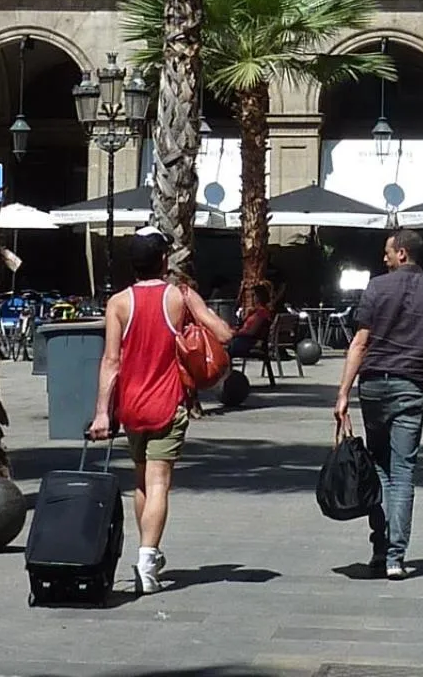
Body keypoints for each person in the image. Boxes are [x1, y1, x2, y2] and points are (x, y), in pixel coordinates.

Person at [89, 228, 233, 595]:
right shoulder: (179, 296)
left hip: (131, 405)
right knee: (158, 484)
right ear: (164, 261)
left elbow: (110, 360)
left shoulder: (118, 302)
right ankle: (148, 560)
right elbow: (225, 333)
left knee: (141, 481)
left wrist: (102, 413)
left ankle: (146, 553)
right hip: (168, 403)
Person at [333, 229, 423, 579]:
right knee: (403, 471)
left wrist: (343, 391)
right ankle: (395, 557)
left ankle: (379, 548)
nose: (384, 258)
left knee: (378, 467)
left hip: (374, 384)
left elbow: (360, 342)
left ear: (402, 253)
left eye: (387, 252)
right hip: (411, 386)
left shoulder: (377, 288)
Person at [229, 279, 274, 361]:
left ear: (259, 297)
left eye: (254, 295)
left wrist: (234, 333)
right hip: (244, 339)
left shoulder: (262, 312)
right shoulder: (256, 311)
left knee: (223, 347)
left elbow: (251, 332)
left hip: (247, 342)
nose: (252, 298)